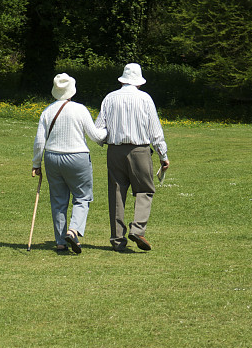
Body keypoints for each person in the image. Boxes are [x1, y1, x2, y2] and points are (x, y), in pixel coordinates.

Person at [95, 63, 170, 251]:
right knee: (145, 189)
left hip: (114, 150)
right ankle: (137, 228)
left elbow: (99, 130)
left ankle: (117, 240)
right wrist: (163, 155)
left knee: (117, 193)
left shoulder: (110, 98)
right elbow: (155, 131)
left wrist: (108, 141)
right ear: (139, 81)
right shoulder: (145, 99)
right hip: (140, 150)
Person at [32, 73, 107, 254]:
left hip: (52, 157)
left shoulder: (47, 111)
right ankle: (73, 231)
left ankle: (60, 242)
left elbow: (39, 141)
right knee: (82, 196)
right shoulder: (80, 109)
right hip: (77, 157)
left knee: (58, 200)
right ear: (72, 90)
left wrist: (36, 163)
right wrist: (107, 130)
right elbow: (96, 136)